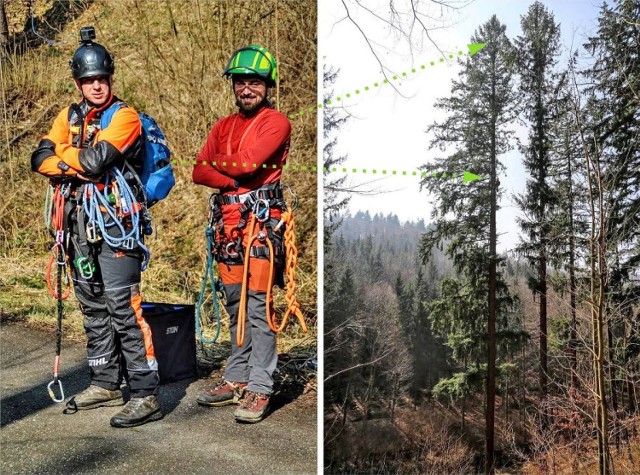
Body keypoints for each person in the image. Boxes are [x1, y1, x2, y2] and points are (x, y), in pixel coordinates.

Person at [31, 26, 162, 428]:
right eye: (89, 81)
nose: (96, 87)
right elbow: (38, 158)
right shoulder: (68, 117)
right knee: (92, 306)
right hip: (78, 226)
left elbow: (95, 162)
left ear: (110, 79)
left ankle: (145, 392)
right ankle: (105, 381)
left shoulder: (124, 117)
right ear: (78, 84)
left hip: (116, 225)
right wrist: (73, 159)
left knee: (124, 307)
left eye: (101, 80)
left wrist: (65, 159)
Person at [192, 44, 291, 423]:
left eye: (254, 82)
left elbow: (251, 163)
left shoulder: (276, 122)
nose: (246, 88)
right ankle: (237, 376)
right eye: (240, 81)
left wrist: (227, 171)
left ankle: (261, 386)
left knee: (259, 307)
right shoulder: (222, 126)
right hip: (229, 228)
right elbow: (199, 171)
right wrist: (235, 177)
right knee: (236, 303)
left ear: (267, 85)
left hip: (261, 227)